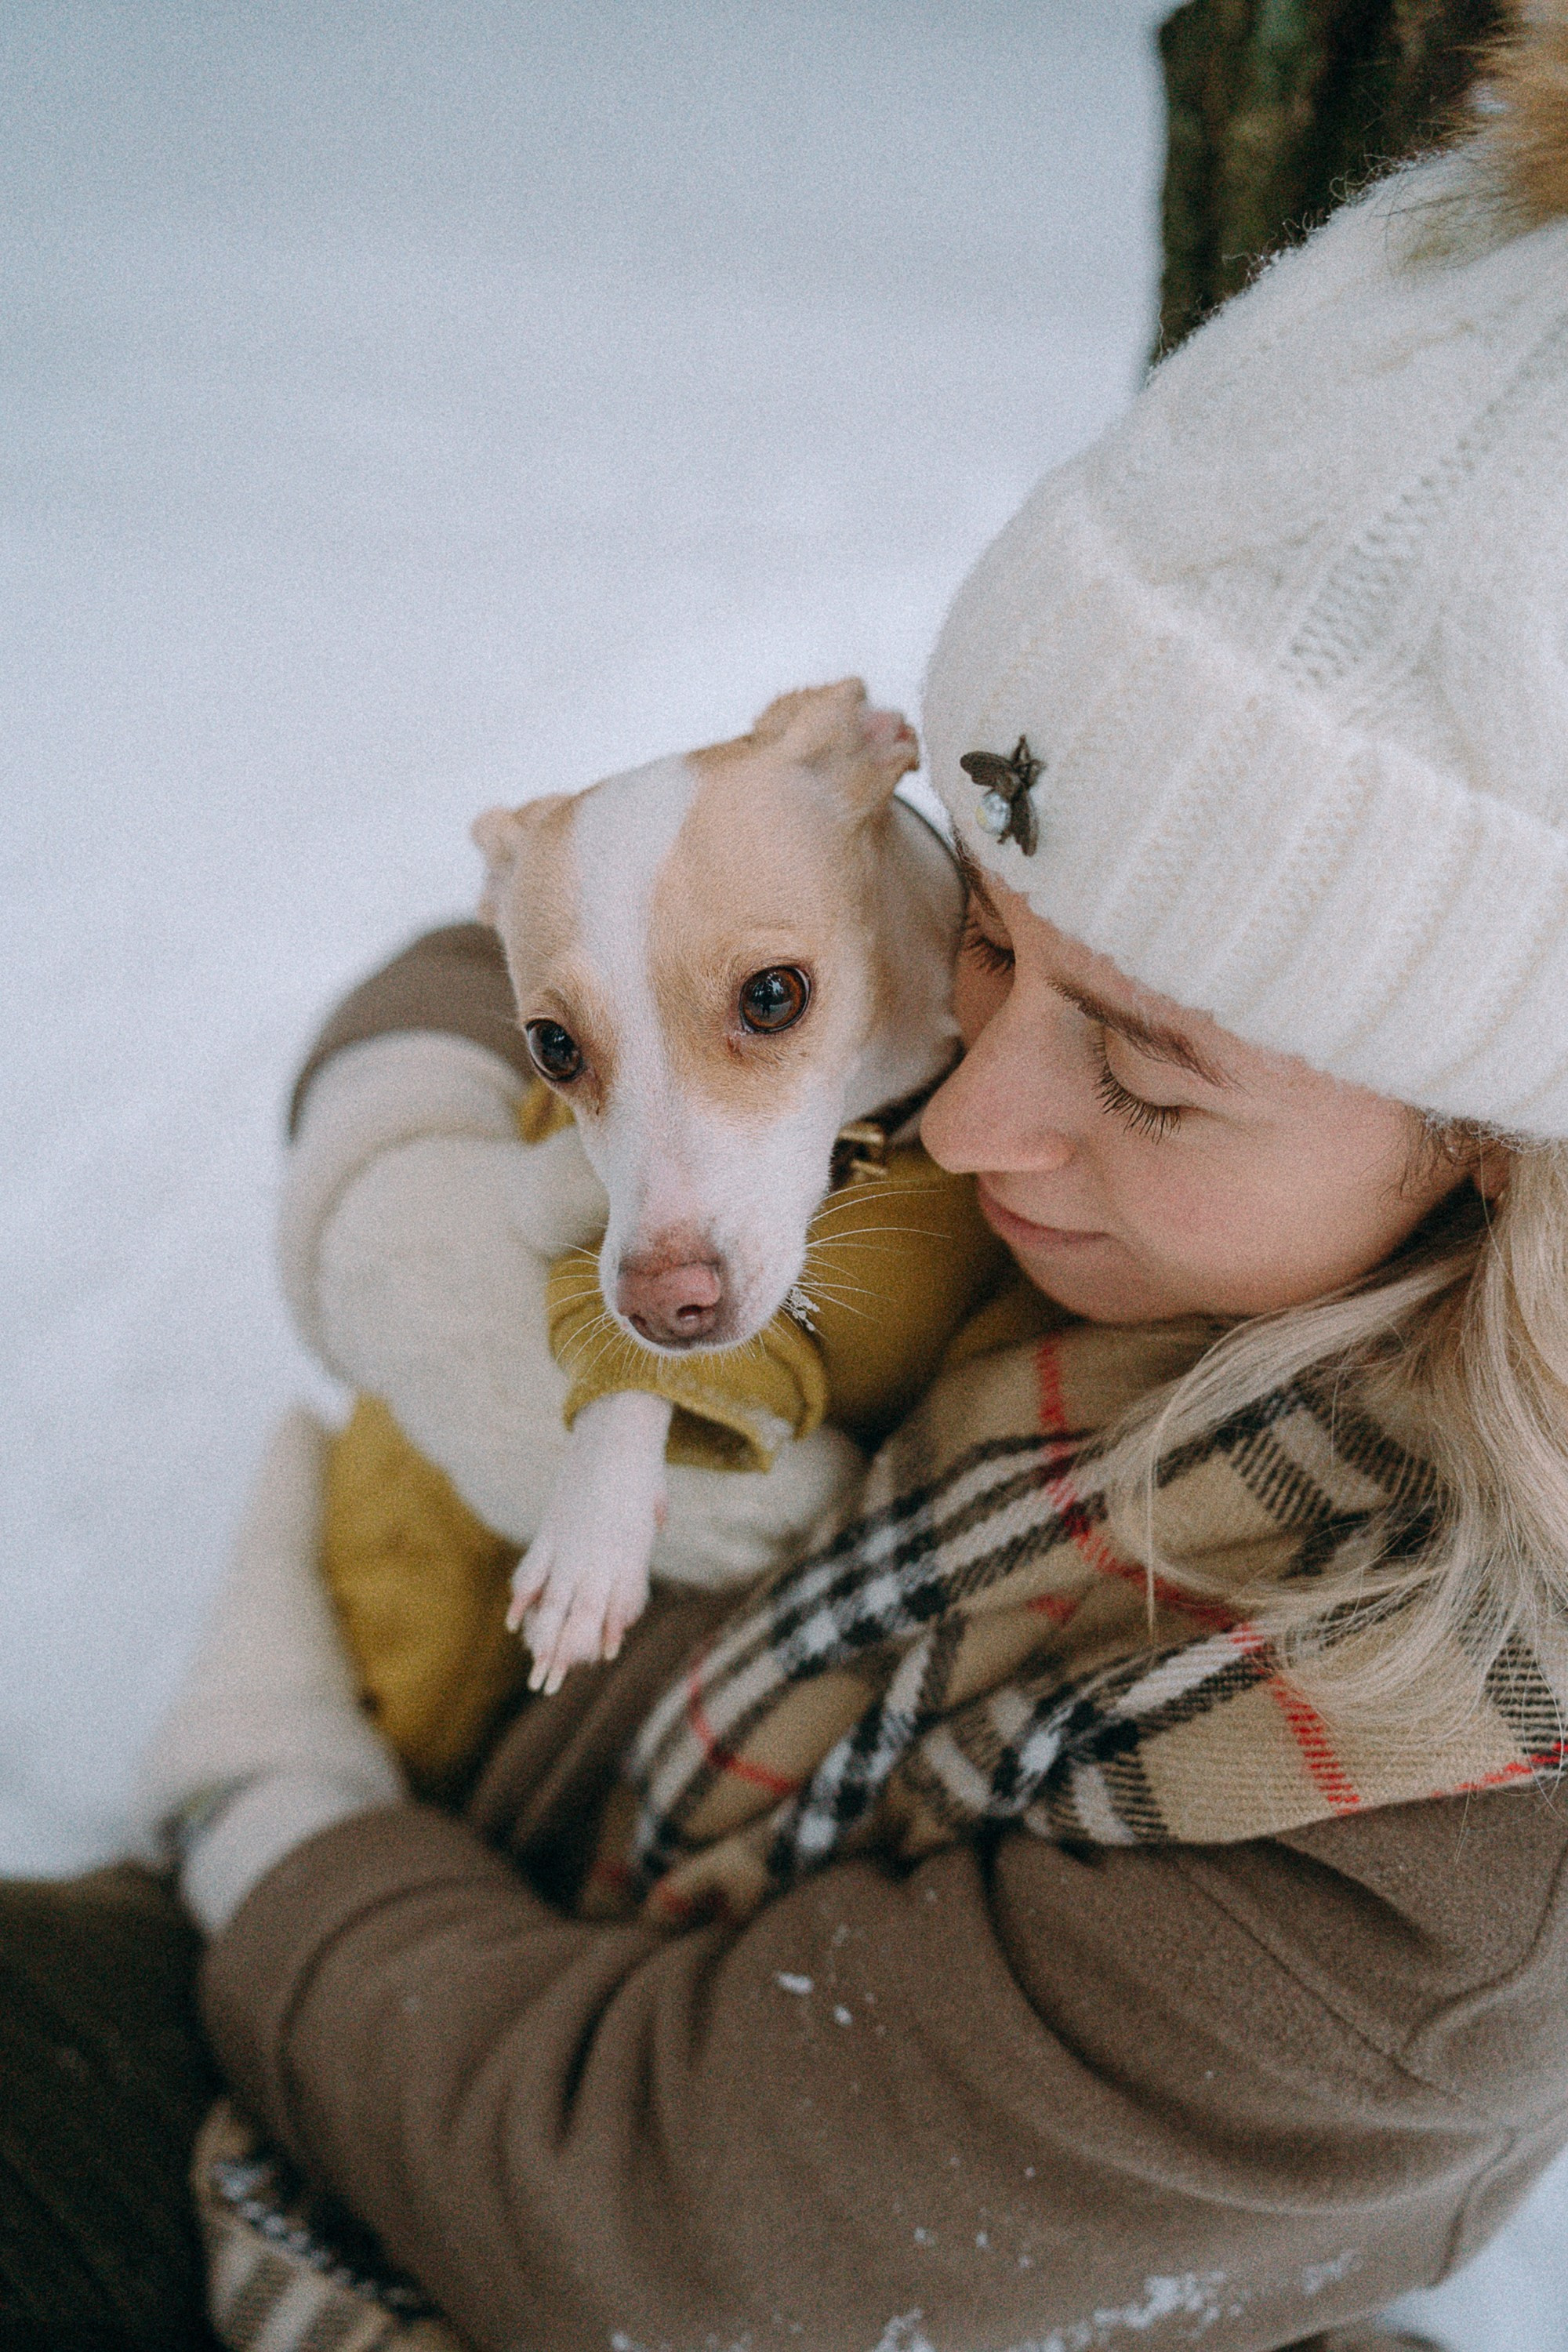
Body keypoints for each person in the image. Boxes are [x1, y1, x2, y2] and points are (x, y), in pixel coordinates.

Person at [13, 14, 1568, 2350]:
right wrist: (404, 1187)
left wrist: (272, 1810)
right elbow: (538, 946)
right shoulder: (1171, 1155)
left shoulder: (1423, 1844)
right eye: (982, 944)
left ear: (1498, 1132)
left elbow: (646, 2219)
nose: (950, 1122)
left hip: (451, 2122)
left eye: (1139, 1069)